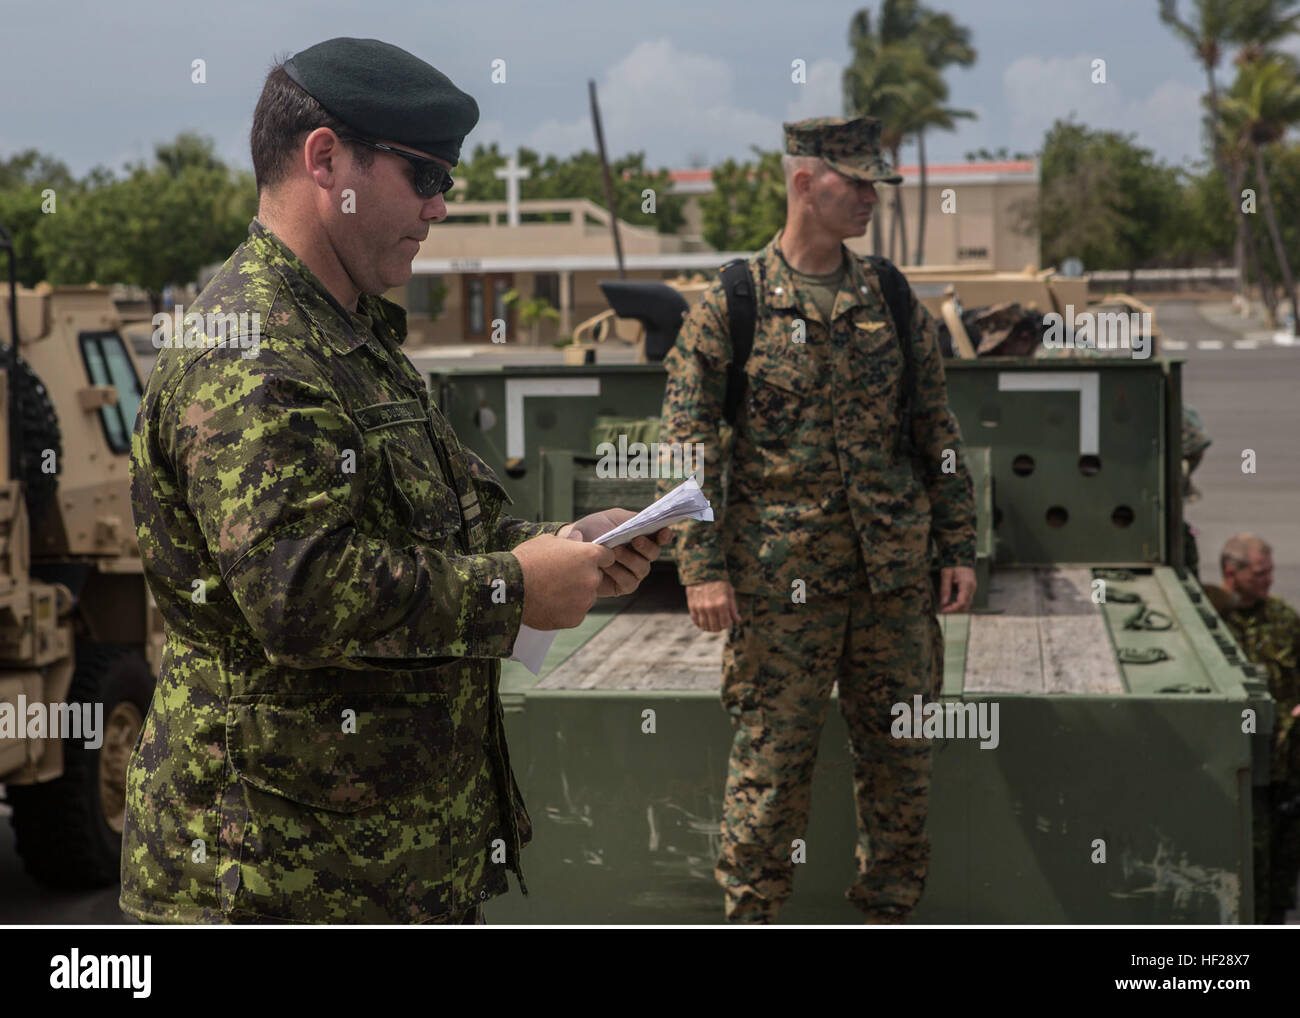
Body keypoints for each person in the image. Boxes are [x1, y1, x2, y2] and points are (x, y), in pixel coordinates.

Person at [122, 37, 669, 924]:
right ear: (326, 158)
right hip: (272, 885)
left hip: (383, 872)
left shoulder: (350, 333)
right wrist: (516, 586)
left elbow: (423, 531)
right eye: (422, 174)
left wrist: (566, 549)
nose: (441, 204)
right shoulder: (254, 351)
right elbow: (304, 594)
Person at [658, 116, 977, 924]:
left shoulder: (896, 299)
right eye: (857, 182)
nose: (872, 197)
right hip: (779, 592)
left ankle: (886, 915)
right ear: (805, 181)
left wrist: (958, 544)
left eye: (877, 183)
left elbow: (936, 431)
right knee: (770, 778)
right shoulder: (731, 304)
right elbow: (687, 449)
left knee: (902, 770)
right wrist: (701, 566)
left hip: (892, 583)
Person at [1204, 534, 1300, 923]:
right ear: (1232, 573)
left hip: (1286, 768)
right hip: (1240, 774)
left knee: (1283, 869)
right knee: (1248, 868)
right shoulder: (1211, 621)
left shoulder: (1282, 618)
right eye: (1260, 574)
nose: (1268, 581)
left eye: (1271, 572)